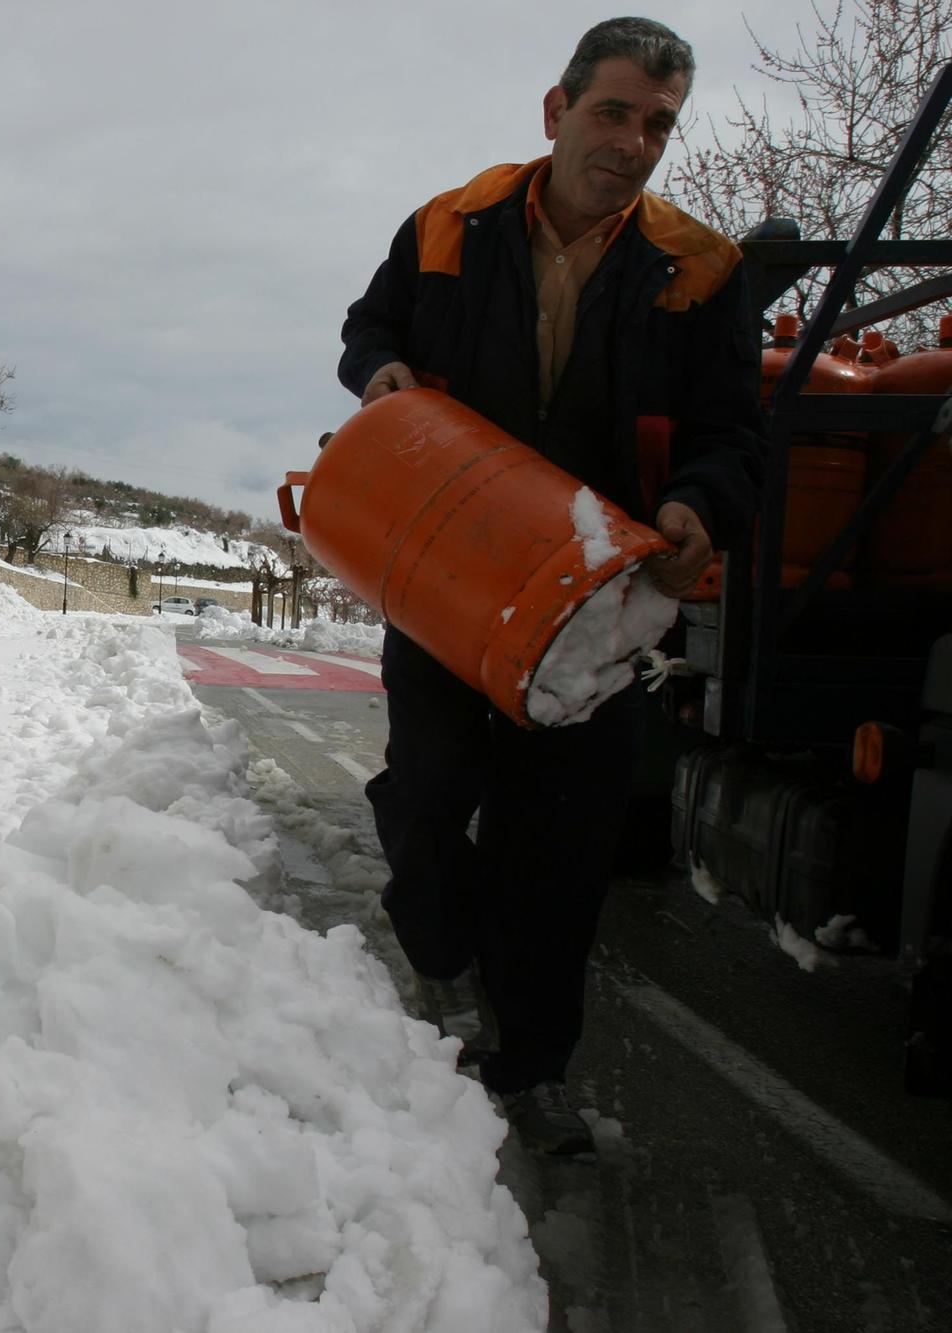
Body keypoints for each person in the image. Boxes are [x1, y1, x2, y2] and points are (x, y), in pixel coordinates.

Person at [336, 17, 764, 1156]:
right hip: (445, 583)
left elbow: (733, 433)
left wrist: (697, 507)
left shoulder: (700, 270)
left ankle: (531, 1069)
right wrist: (377, 373)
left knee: (559, 849)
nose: (631, 142)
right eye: (612, 112)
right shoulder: (448, 225)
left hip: (595, 603)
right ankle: (432, 919)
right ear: (554, 110)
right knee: (429, 800)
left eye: (656, 124)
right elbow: (368, 325)